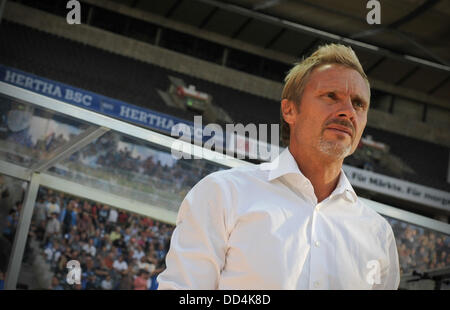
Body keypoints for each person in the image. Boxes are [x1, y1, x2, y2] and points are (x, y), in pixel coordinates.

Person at [157, 44, 400, 290]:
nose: (348, 112)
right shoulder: (222, 194)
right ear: (290, 110)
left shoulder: (378, 235)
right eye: (331, 96)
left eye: (359, 104)